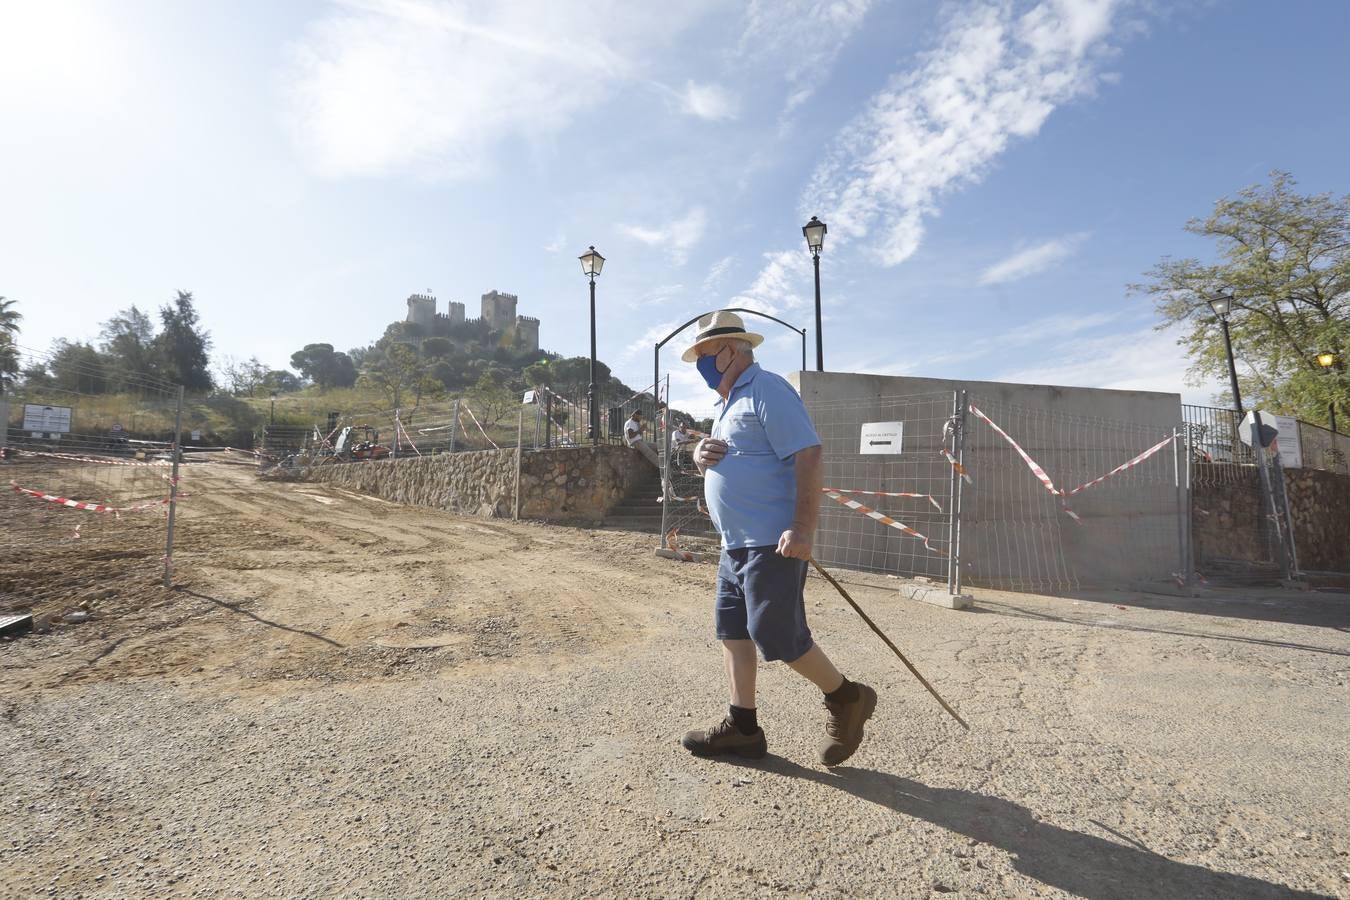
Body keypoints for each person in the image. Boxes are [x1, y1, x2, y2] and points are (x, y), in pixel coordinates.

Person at [678, 310, 877, 766]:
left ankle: (848, 697)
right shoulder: (728, 403)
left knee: (776, 634)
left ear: (731, 350)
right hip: (735, 544)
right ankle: (742, 729)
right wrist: (698, 454)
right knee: (732, 632)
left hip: (773, 541)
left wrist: (804, 527)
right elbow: (733, 457)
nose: (702, 366)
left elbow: (808, 451)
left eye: (706, 355)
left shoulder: (766, 388)